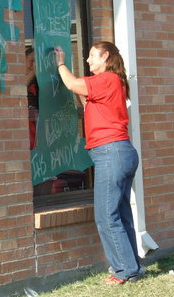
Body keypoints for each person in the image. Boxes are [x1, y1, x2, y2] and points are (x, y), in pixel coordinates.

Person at [54, 41, 145, 285]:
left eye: (92, 55)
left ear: (105, 56)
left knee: (106, 216)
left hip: (111, 152)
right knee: (121, 214)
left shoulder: (108, 78)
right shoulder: (112, 83)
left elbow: (73, 84)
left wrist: (61, 63)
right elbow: (85, 98)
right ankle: (132, 267)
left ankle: (124, 272)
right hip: (119, 152)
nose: (88, 60)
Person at [25, 47, 39, 150]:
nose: (33, 64)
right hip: (26, 126)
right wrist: (34, 71)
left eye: (36, 61)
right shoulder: (18, 76)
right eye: (31, 60)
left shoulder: (40, 79)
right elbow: (20, 87)